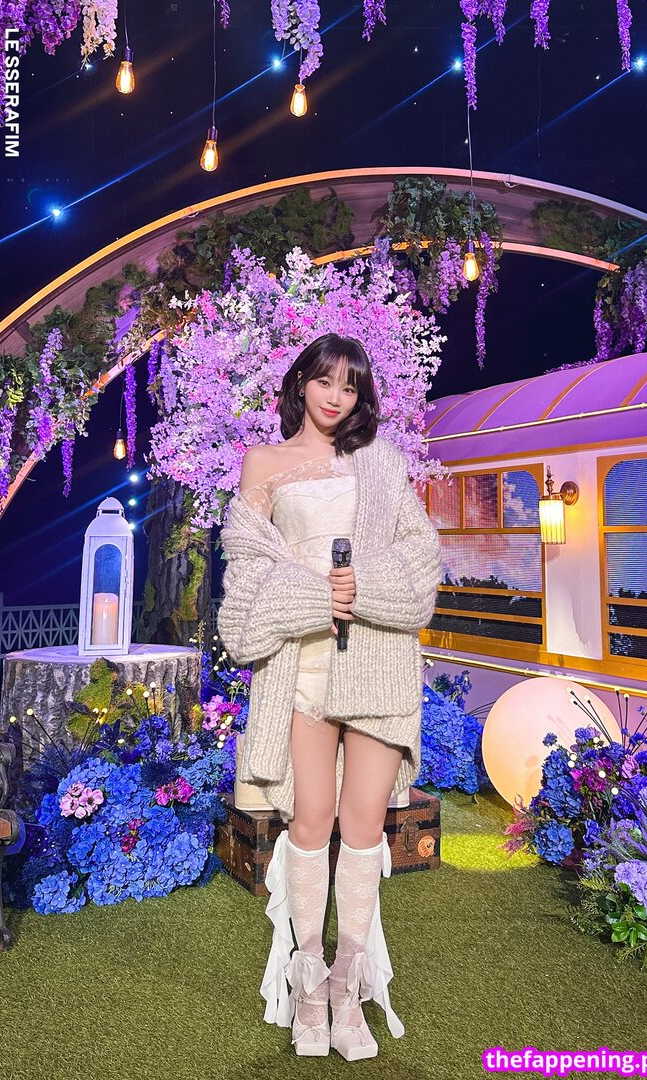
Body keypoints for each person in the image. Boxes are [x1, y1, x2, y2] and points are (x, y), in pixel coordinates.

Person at [217, 332, 441, 1061]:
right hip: (304, 665)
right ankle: (309, 988)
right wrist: (316, 600)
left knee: (365, 824)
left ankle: (348, 991)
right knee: (311, 819)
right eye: (324, 381)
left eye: (350, 385)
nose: (336, 396)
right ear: (301, 384)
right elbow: (245, 582)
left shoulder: (381, 462)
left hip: (378, 662)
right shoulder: (264, 463)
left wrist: (361, 588)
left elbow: (421, 561)